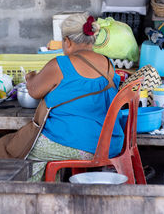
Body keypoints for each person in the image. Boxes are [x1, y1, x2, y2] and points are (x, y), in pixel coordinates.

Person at [25, 12, 123, 181]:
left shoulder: (60, 65)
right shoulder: (108, 63)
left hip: (81, 144)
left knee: (24, 150)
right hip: (111, 142)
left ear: (67, 41)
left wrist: (30, 78)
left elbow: (34, 91)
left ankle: (38, 200)